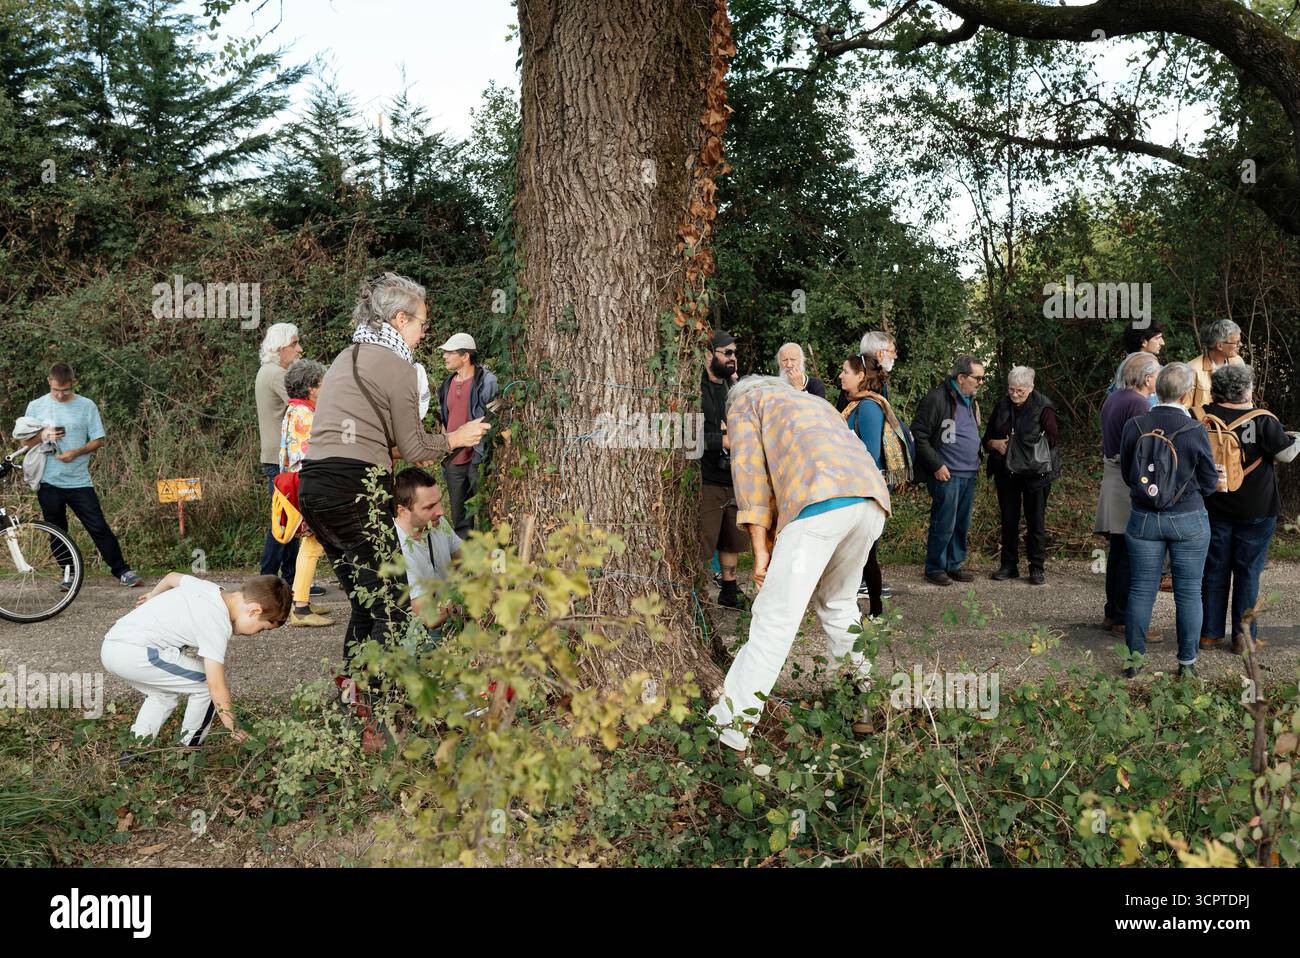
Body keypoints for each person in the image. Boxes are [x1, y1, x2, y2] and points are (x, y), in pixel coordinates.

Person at [299, 273, 490, 676]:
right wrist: (457, 437)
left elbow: (390, 443)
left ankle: (357, 702)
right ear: (400, 320)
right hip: (354, 490)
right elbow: (418, 449)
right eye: (423, 324)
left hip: (313, 486)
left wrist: (432, 442)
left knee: (367, 602)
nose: (424, 334)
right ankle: (381, 708)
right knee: (394, 605)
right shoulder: (398, 367)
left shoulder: (346, 357)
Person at [707, 375, 891, 752]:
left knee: (773, 621)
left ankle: (730, 733)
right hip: (870, 501)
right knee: (839, 605)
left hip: (819, 504)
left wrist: (760, 552)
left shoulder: (746, 405)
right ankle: (861, 707)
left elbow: (751, 482)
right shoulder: (816, 404)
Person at [100, 573, 291, 746]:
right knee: (204, 686)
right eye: (262, 628)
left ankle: (137, 746)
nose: (256, 634)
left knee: (163, 693)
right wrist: (233, 728)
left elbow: (171, 577)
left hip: (112, 646)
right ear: (254, 611)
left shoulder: (210, 589)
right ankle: (189, 748)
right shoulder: (217, 622)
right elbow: (215, 685)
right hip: (136, 653)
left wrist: (153, 595)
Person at [1119, 362, 1222, 678]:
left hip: (1144, 518)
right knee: (1189, 591)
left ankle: (1134, 662)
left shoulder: (1135, 426)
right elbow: (1208, 481)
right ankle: (1187, 664)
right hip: (1188, 518)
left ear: (1158, 389)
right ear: (1187, 392)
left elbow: (1128, 474)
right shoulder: (1195, 430)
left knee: (1140, 590)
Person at [1198, 364, 1299, 652]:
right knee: (1248, 572)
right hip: (1256, 509)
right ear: (1245, 390)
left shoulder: (1204, 417)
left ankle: (1209, 634)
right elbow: (1286, 454)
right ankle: (1244, 638)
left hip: (1213, 505)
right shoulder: (1263, 420)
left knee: (1214, 570)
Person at [24, 363, 142, 589]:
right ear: (49, 381)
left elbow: (99, 440)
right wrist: (43, 436)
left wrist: (75, 452)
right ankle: (68, 575)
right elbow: (23, 442)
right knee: (58, 531)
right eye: (56, 389)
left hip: (79, 481)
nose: (60, 394)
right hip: (48, 481)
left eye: (65, 390)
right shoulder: (36, 406)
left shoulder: (87, 406)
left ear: (72, 384)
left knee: (98, 526)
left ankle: (122, 571)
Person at [1094, 352, 1162, 638]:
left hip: (1113, 477)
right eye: (1157, 374)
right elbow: (1140, 448)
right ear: (1148, 378)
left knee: (1119, 551)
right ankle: (1123, 618)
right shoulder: (1138, 403)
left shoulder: (1115, 398)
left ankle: (1113, 613)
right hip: (1125, 482)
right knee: (1128, 556)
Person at [911, 354, 985, 587]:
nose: (981, 382)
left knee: (962, 523)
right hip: (947, 473)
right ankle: (935, 567)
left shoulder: (970, 400)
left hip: (968, 473)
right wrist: (936, 465)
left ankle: (954, 565)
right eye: (978, 378)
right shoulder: (937, 398)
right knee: (944, 522)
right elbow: (919, 435)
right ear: (962, 377)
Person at [983, 366, 1060, 586]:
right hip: (1006, 472)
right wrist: (994, 444)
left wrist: (1024, 447)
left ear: (1031, 388)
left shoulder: (1044, 407)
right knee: (1008, 520)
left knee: (1035, 521)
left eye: (1020, 391)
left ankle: (1036, 567)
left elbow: (1054, 438)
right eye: (1011, 390)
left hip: (1036, 474)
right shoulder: (1002, 406)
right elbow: (987, 439)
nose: (1015, 395)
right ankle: (1009, 565)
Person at [256, 323, 316, 594]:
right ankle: (267, 579)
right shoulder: (278, 375)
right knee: (283, 521)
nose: (299, 350)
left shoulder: (267, 372)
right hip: (282, 459)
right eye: (295, 344)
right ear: (281, 348)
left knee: (288, 520)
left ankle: (291, 580)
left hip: (276, 456)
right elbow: (304, 401)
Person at [279, 359, 334, 628]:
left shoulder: (295, 410)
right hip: (310, 485)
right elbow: (308, 457)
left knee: (311, 544)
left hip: (303, 485)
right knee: (313, 544)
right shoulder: (305, 416)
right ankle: (300, 608)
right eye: (322, 384)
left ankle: (302, 600)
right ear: (311, 388)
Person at [837, 353, 893, 615]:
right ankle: (856, 607)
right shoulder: (853, 404)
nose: (841, 375)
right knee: (857, 552)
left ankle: (876, 610)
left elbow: (870, 454)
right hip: (852, 486)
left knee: (866, 553)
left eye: (845, 371)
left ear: (861, 376)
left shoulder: (869, 407)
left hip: (865, 490)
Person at [700, 330, 748, 609]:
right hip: (706, 477)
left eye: (735, 354)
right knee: (705, 538)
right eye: (727, 353)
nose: (733, 358)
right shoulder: (696, 388)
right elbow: (686, 434)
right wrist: (722, 438)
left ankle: (729, 589)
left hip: (733, 475)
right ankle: (694, 591)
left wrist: (735, 379)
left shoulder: (733, 387)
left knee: (732, 537)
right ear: (709, 355)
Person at [436, 333, 499, 540]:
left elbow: (496, 419)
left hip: (478, 458)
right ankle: (466, 564)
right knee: (460, 517)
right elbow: (447, 420)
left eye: (450, 352)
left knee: (484, 512)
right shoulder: (446, 385)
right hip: (454, 459)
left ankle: (489, 561)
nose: (445, 356)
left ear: (465, 356)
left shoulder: (486, 382)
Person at [391, 467, 462, 648]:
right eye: (430, 507)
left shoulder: (438, 524)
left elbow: (466, 557)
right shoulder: (396, 549)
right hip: (415, 639)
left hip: (449, 622)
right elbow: (428, 617)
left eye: (439, 502)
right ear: (402, 511)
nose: (441, 511)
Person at [1186, 319, 1245, 410]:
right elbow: (1186, 409)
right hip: (1206, 422)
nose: (1240, 344)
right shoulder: (1192, 369)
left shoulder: (1238, 362)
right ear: (1219, 346)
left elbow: (1246, 398)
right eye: (1236, 342)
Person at [1107, 321, 1164, 400]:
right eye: (1157, 338)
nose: (1162, 343)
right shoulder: (1137, 370)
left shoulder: (1126, 366)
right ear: (1144, 342)